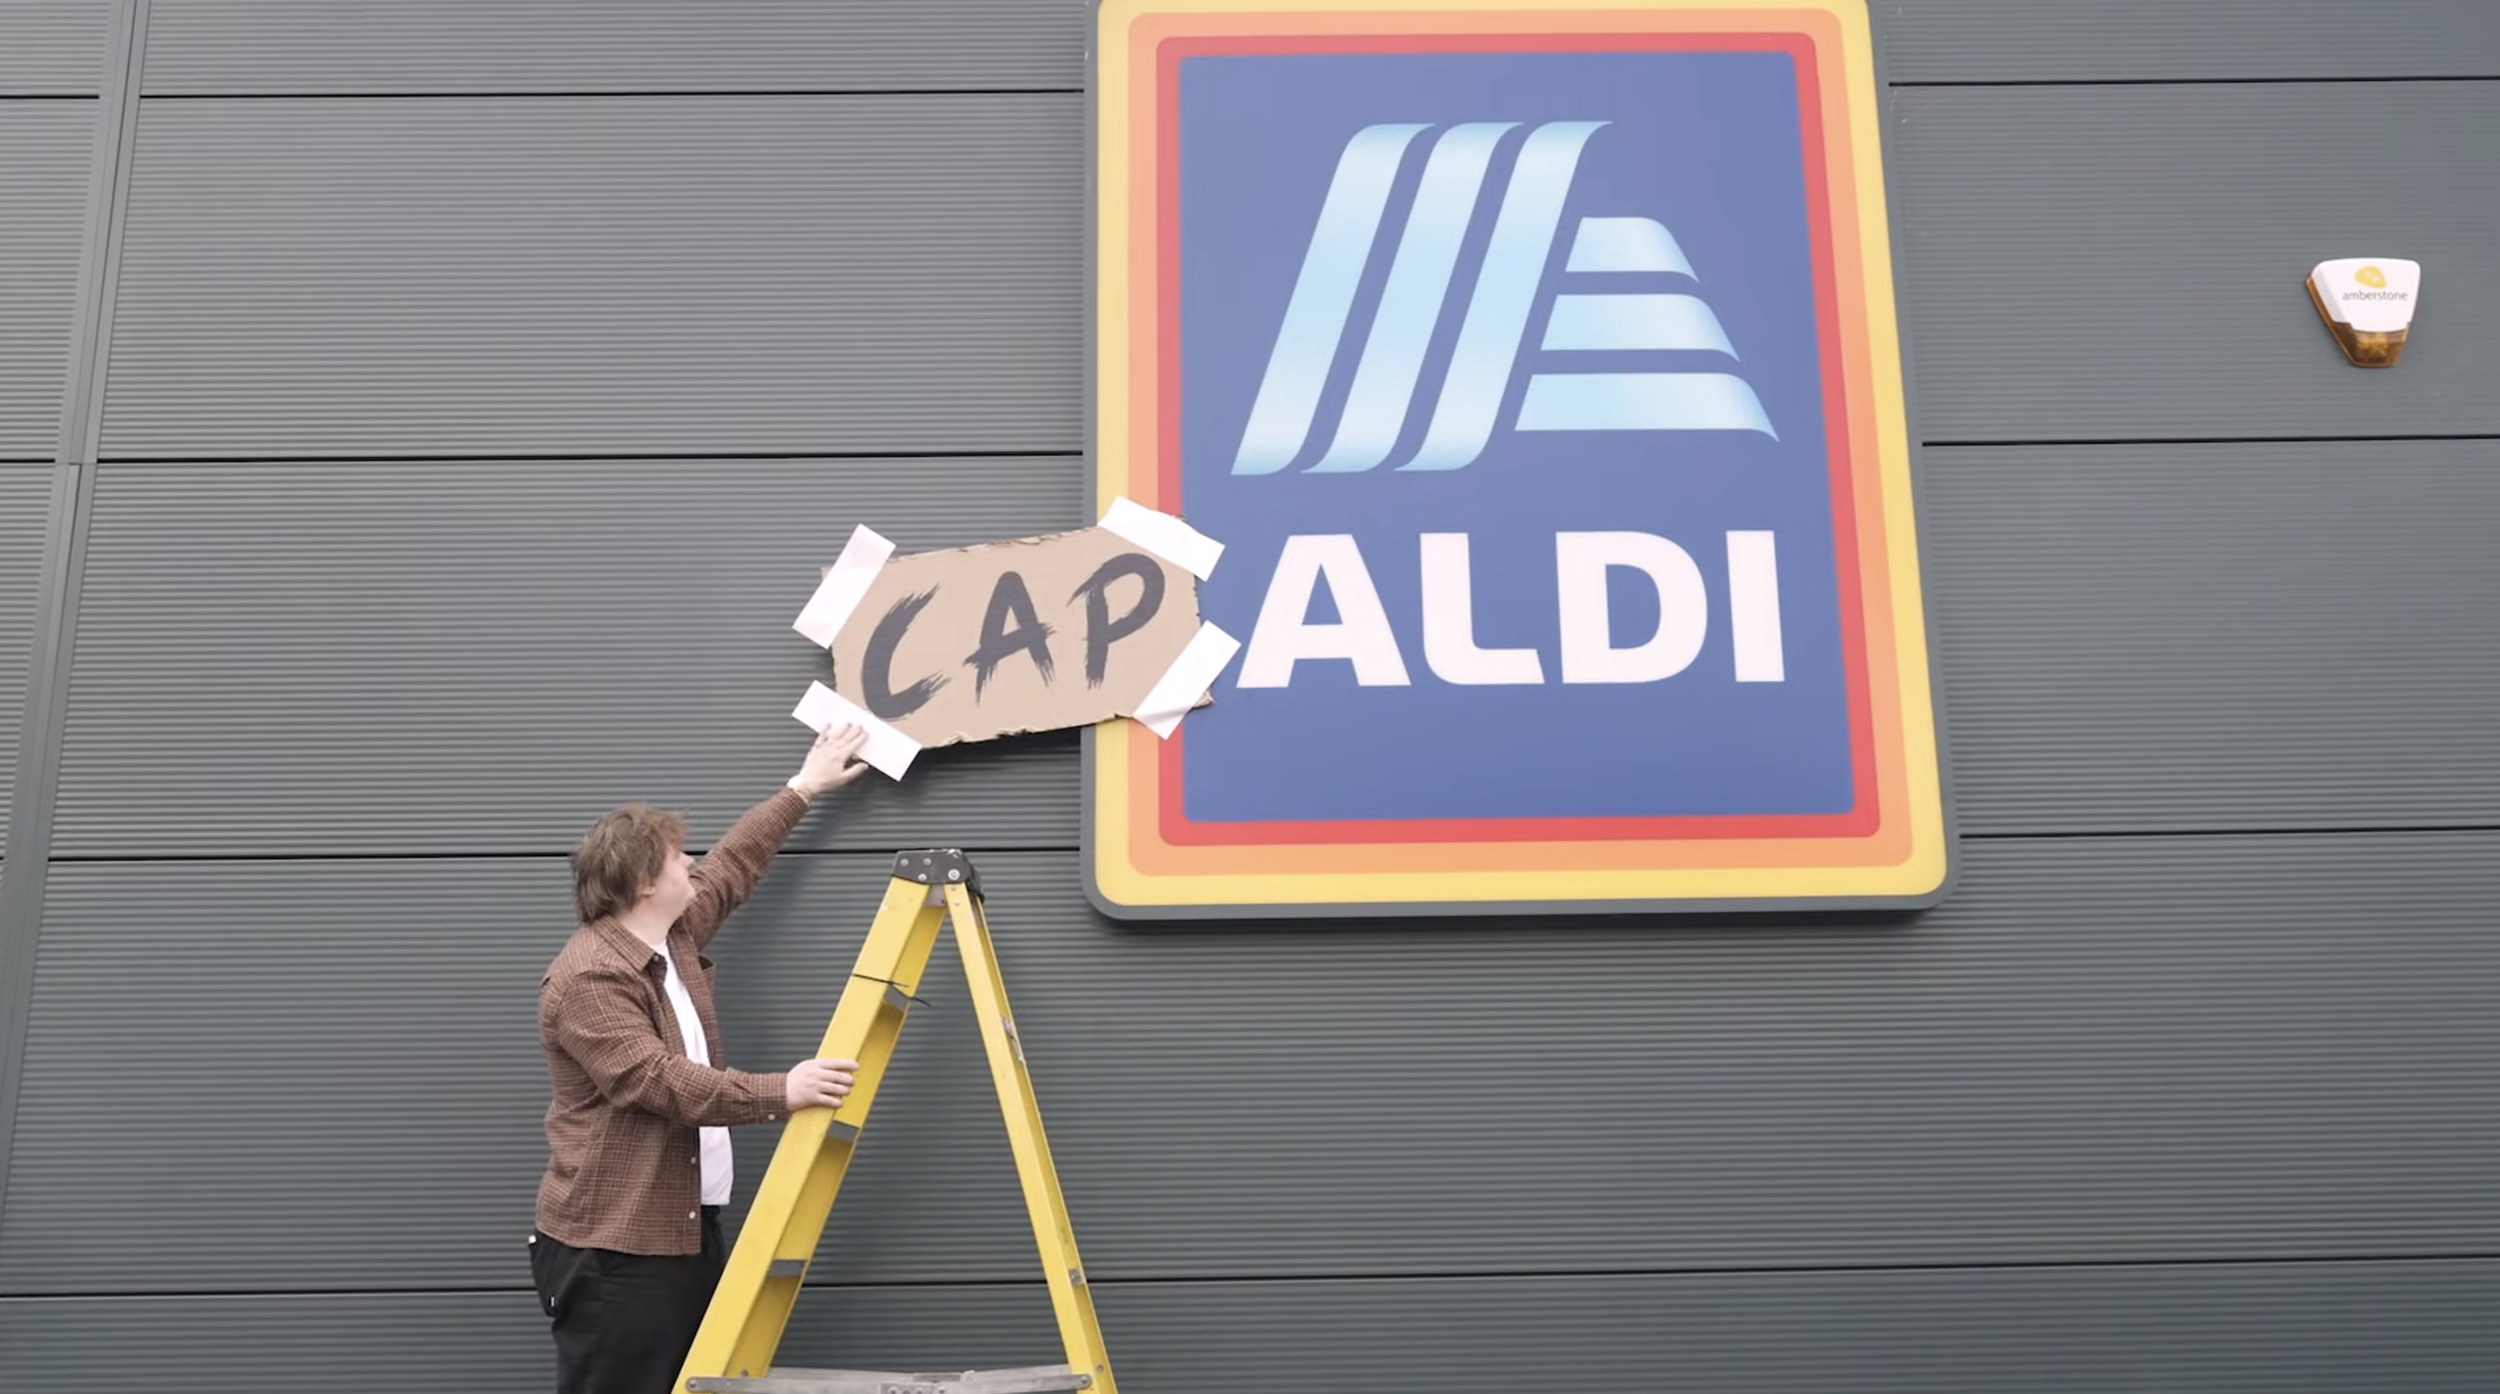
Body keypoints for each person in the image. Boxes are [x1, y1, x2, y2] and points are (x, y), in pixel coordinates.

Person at [529, 722, 873, 1394]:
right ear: (639, 882)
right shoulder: (588, 979)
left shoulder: (672, 937)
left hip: (682, 1231)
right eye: (676, 856)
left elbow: (736, 864)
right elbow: (657, 1083)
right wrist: (785, 1091)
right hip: (616, 1251)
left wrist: (806, 784)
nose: (692, 864)